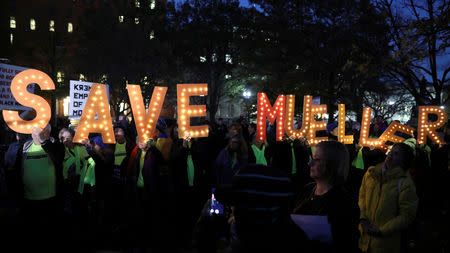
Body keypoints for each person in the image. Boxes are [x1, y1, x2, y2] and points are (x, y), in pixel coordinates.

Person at [293, 141, 360, 252]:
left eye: (317, 159)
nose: (310, 163)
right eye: (312, 158)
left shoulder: (344, 203)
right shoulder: (306, 190)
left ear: (333, 164)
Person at [358, 142, 419, 253]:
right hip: (363, 239)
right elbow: (362, 197)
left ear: (404, 161)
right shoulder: (371, 173)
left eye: (396, 154)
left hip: (386, 244)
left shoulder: (405, 184)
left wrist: (382, 231)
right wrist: (363, 219)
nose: (390, 155)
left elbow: (407, 215)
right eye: (391, 151)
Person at [19, 125, 65, 250]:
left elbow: (58, 158)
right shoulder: (25, 146)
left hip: (50, 197)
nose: (36, 133)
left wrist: (44, 141)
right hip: (29, 197)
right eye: (34, 131)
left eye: (40, 131)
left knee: (48, 230)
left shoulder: (55, 145)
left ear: (48, 133)